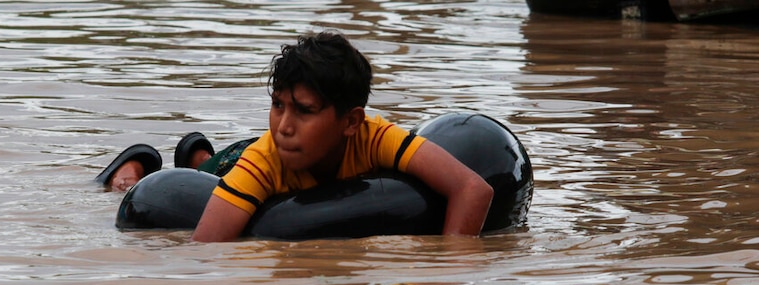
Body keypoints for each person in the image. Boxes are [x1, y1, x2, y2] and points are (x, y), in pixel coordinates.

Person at [100, 31, 494, 240]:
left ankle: (198, 154)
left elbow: (474, 189)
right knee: (209, 175)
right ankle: (140, 166)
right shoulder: (264, 159)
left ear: (351, 121)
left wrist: (450, 280)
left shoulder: (375, 137)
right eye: (277, 105)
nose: (285, 124)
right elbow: (207, 251)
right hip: (239, 159)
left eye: (304, 111)